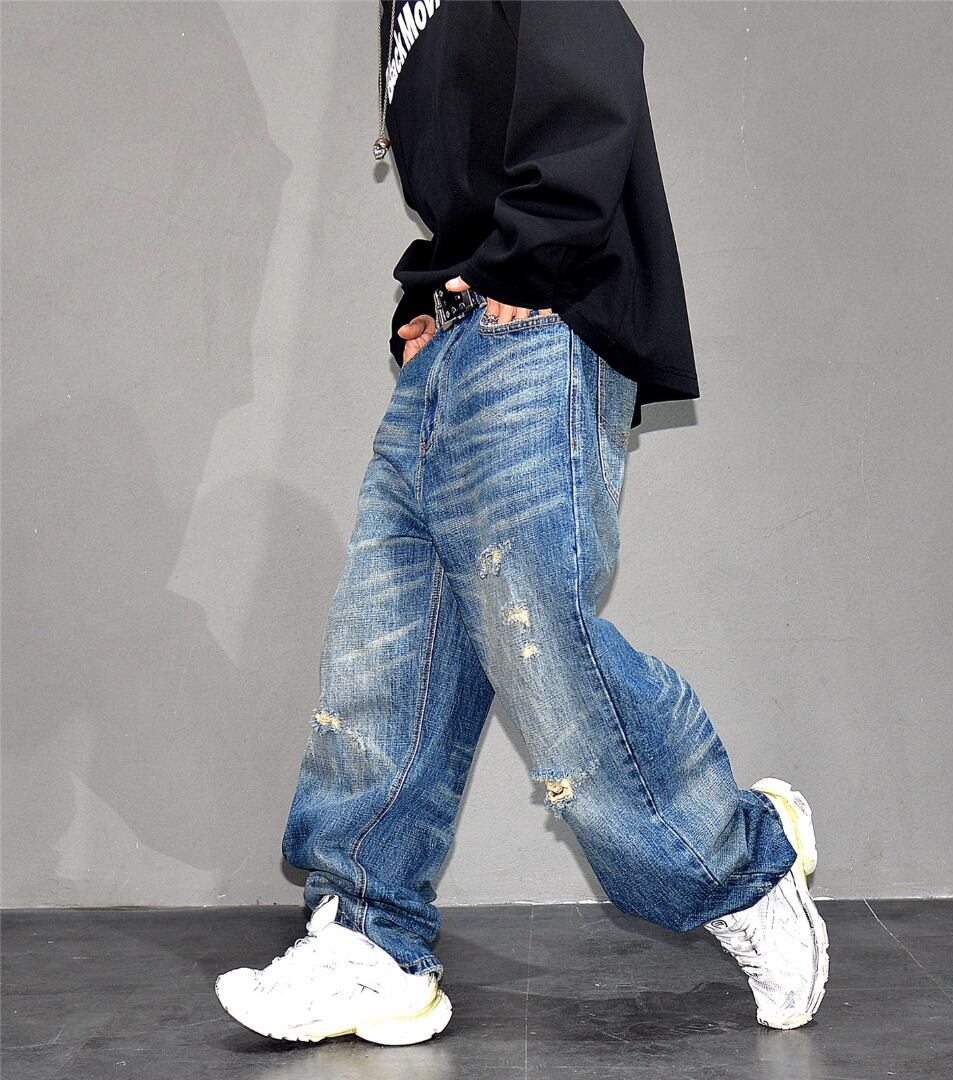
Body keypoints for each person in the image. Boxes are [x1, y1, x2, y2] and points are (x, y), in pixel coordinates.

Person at [215, 0, 828, 1044]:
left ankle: (742, 861)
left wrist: (531, 254)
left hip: (535, 327)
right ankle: (369, 939)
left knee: (538, 639)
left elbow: (592, 65)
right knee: (386, 650)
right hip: (457, 339)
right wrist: (429, 301)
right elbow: (465, 162)